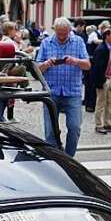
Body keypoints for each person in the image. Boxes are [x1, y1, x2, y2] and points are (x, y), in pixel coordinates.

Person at [35, 17, 91, 156]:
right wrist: (46, 64)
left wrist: (75, 61)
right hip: (51, 92)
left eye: (64, 34)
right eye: (59, 33)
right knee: (50, 131)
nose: (61, 37)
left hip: (73, 92)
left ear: (69, 31)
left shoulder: (78, 42)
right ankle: (55, 159)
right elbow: (36, 70)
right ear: (54, 30)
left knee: (74, 127)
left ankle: (69, 157)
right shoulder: (46, 43)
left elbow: (88, 65)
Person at [90, 28, 111, 135]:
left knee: (110, 102)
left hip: (109, 77)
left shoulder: (109, 48)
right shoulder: (101, 49)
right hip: (103, 79)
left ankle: (108, 123)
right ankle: (98, 125)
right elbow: (97, 67)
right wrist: (99, 81)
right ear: (107, 36)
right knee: (101, 102)